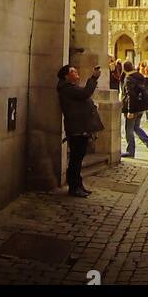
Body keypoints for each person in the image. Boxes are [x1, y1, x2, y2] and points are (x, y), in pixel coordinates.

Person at [57, 62, 102, 197]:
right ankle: (74, 186)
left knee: (78, 157)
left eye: (76, 71)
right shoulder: (66, 88)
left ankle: (78, 184)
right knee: (76, 159)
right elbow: (85, 93)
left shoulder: (70, 87)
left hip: (81, 126)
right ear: (66, 76)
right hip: (76, 128)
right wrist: (93, 78)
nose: (76, 73)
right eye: (73, 72)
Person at [120, 60, 148, 157]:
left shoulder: (129, 79)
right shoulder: (139, 76)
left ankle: (130, 151)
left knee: (129, 129)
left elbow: (130, 95)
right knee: (136, 128)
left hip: (133, 108)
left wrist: (130, 110)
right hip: (141, 106)